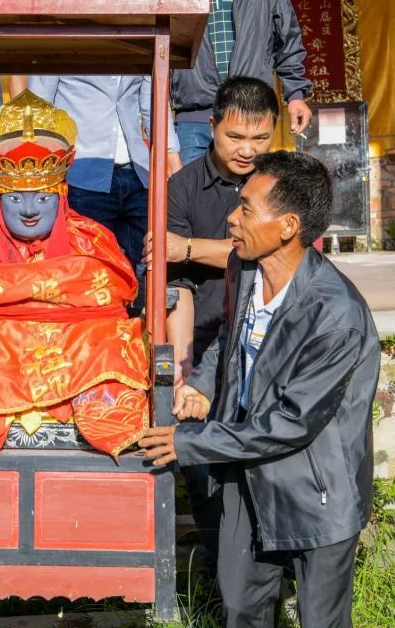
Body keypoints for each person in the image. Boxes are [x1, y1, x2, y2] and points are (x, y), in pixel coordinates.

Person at [140, 151, 379, 628]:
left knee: (321, 620)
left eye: (246, 208)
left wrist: (189, 442)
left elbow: (292, 423)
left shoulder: (335, 317)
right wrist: (205, 387)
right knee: (242, 609)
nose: (231, 217)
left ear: (288, 225)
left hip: (315, 488)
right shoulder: (248, 268)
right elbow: (230, 341)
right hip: (245, 472)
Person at [0, 91, 151, 457]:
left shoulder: (91, 237)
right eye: (15, 198)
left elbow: (114, 300)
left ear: (61, 194)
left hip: (75, 341)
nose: (28, 210)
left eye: (42, 198)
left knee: (112, 334)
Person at [142, 75, 279, 571]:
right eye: (235, 137)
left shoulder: (280, 185)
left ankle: (256, 566)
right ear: (213, 125)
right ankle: (225, 566)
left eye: (259, 138)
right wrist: (181, 370)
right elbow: (173, 283)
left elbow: (274, 254)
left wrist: (193, 247)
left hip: (266, 340)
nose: (247, 150)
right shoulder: (182, 187)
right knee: (200, 460)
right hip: (202, 344)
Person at [29, 0, 181, 280]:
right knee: (91, 272)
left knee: (141, 272)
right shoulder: (65, 20)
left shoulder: (146, 21)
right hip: (83, 172)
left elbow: (152, 97)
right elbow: (41, 105)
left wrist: (170, 152)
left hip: (137, 172)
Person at [156, 0, 313, 166]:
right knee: (196, 203)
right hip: (193, 119)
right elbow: (161, 55)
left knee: (246, 201)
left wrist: (296, 94)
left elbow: (288, 39)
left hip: (251, 115)